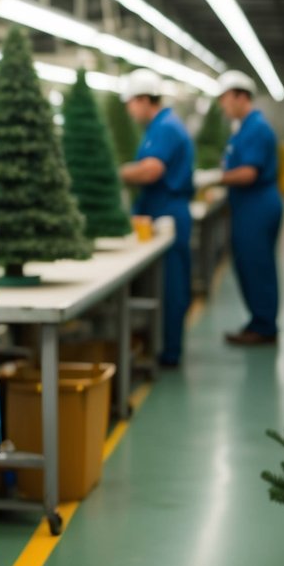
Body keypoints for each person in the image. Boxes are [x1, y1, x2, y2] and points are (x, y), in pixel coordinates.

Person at [118, 69, 195, 368]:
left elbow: (152, 170)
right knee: (165, 285)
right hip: (160, 211)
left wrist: (120, 173)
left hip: (168, 214)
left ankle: (170, 352)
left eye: (130, 102)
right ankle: (161, 344)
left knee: (172, 286)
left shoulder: (165, 128)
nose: (128, 110)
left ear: (143, 99)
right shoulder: (159, 126)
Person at [215, 70, 283, 346]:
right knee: (247, 264)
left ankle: (265, 327)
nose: (222, 105)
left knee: (257, 265)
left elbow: (248, 173)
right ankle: (258, 321)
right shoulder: (243, 128)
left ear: (241, 96)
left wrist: (215, 178)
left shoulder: (256, 127)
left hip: (258, 205)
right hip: (247, 206)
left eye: (225, 98)